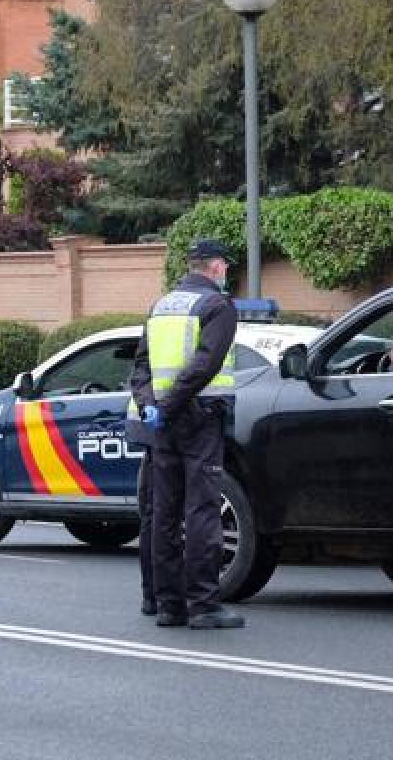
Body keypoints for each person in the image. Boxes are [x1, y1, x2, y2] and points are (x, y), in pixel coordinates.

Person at [134, 238, 243, 630]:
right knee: (201, 510)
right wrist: (169, 406)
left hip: (162, 424)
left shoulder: (160, 306)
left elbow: (140, 368)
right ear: (214, 267)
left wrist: (152, 406)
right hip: (197, 420)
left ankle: (169, 605)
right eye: (225, 266)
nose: (225, 272)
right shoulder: (218, 306)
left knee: (164, 512)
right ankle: (203, 604)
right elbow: (204, 365)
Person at [126, 338, 157, 616]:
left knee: (153, 516)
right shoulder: (209, 311)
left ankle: (153, 596)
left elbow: (140, 368)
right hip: (170, 425)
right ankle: (157, 596)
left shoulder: (159, 313)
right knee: (160, 515)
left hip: (149, 423)